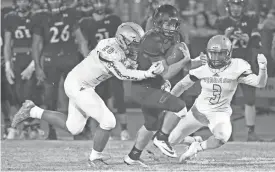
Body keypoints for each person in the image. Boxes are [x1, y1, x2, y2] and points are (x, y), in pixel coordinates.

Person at [11, 22, 165, 166]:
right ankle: (95, 157)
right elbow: (123, 74)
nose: (136, 47)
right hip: (78, 85)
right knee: (108, 121)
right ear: (122, 40)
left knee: (74, 128)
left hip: (83, 85)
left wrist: (157, 77)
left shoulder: (126, 48)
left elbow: (137, 67)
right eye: (134, 43)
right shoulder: (108, 49)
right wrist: (148, 74)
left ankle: (32, 110)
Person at [124, 5, 204, 166]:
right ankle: (161, 138)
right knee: (180, 106)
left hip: (154, 86)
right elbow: (166, 73)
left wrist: (195, 61)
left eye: (173, 24)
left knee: (151, 124)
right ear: (157, 23)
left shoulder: (174, 37)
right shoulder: (150, 40)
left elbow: (184, 65)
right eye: (166, 23)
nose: (170, 27)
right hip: (143, 88)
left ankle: (132, 156)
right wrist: (183, 59)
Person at [168, 35, 267, 162]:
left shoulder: (237, 66)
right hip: (197, 112)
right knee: (170, 140)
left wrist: (263, 68)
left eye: (221, 54)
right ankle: (193, 140)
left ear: (229, 53)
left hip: (219, 113)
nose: (216, 58)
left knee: (222, 137)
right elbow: (182, 85)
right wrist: (168, 100)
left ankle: (197, 147)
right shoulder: (202, 66)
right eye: (213, 54)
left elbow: (260, 83)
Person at [30, 0, 86, 140]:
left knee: (76, 95)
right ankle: (51, 130)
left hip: (70, 59)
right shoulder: (41, 17)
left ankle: (80, 130)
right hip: (51, 60)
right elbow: (36, 44)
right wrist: (37, 66)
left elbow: (81, 40)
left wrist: (86, 61)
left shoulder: (70, 14)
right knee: (50, 97)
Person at [77, 0, 130, 140]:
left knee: (118, 97)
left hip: (114, 64)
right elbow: (83, 44)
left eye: (102, 2)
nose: (99, 6)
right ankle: (106, 129)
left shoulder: (114, 20)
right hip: (97, 65)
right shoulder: (85, 22)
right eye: (97, 2)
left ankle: (124, 130)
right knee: (101, 98)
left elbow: (122, 41)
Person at [214, 0, 264, 141]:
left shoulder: (251, 20)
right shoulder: (221, 22)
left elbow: (257, 42)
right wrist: (226, 36)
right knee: (225, 101)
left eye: (238, 5)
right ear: (228, 7)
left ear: (243, 7)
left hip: (246, 64)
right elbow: (216, 45)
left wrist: (250, 39)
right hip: (227, 65)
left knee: (250, 99)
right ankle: (226, 133)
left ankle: (251, 133)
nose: (236, 8)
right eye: (233, 5)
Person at [3, 0, 43, 139]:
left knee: (30, 93)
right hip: (16, 59)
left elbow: (38, 43)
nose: (22, 3)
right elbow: (8, 43)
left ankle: (32, 126)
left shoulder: (36, 17)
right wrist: (8, 65)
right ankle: (20, 126)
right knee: (16, 95)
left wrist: (33, 65)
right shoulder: (10, 17)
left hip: (31, 57)